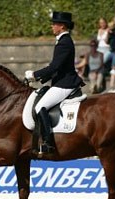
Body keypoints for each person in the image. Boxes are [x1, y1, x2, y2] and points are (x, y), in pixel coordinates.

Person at [25, 11, 83, 154]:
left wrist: (34, 75)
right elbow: (58, 67)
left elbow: (54, 67)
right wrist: (42, 79)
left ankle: (47, 143)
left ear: (62, 26)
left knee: (40, 107)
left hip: (65, 84)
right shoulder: (63, 40)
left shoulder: (64, 42)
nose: (52, 26)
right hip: (61, 80)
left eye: (54, 24)